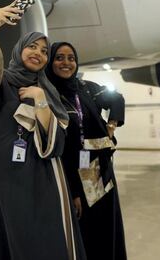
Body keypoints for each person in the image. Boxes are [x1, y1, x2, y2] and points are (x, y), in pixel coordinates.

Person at [0, 1, 86, 260]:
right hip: (4, 178)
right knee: (14, 241)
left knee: (47, 240)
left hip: (42, 177)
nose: (38, 53)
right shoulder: (3, 83)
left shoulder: (48, 91)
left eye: (44, 51)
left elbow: (55, 144)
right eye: (32, 46)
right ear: (19, 50)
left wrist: (40, 99)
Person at [46, 42, 128, 260]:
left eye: (71, 58)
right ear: (50, 61)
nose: (66, 63)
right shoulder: (49, 95)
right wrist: (72, 191)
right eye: (59, 58)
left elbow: (116, 98)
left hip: (99, 172)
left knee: (106, 228)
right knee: (85, 234)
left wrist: (111, 125)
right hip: (72, 174)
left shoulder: (85, 88)